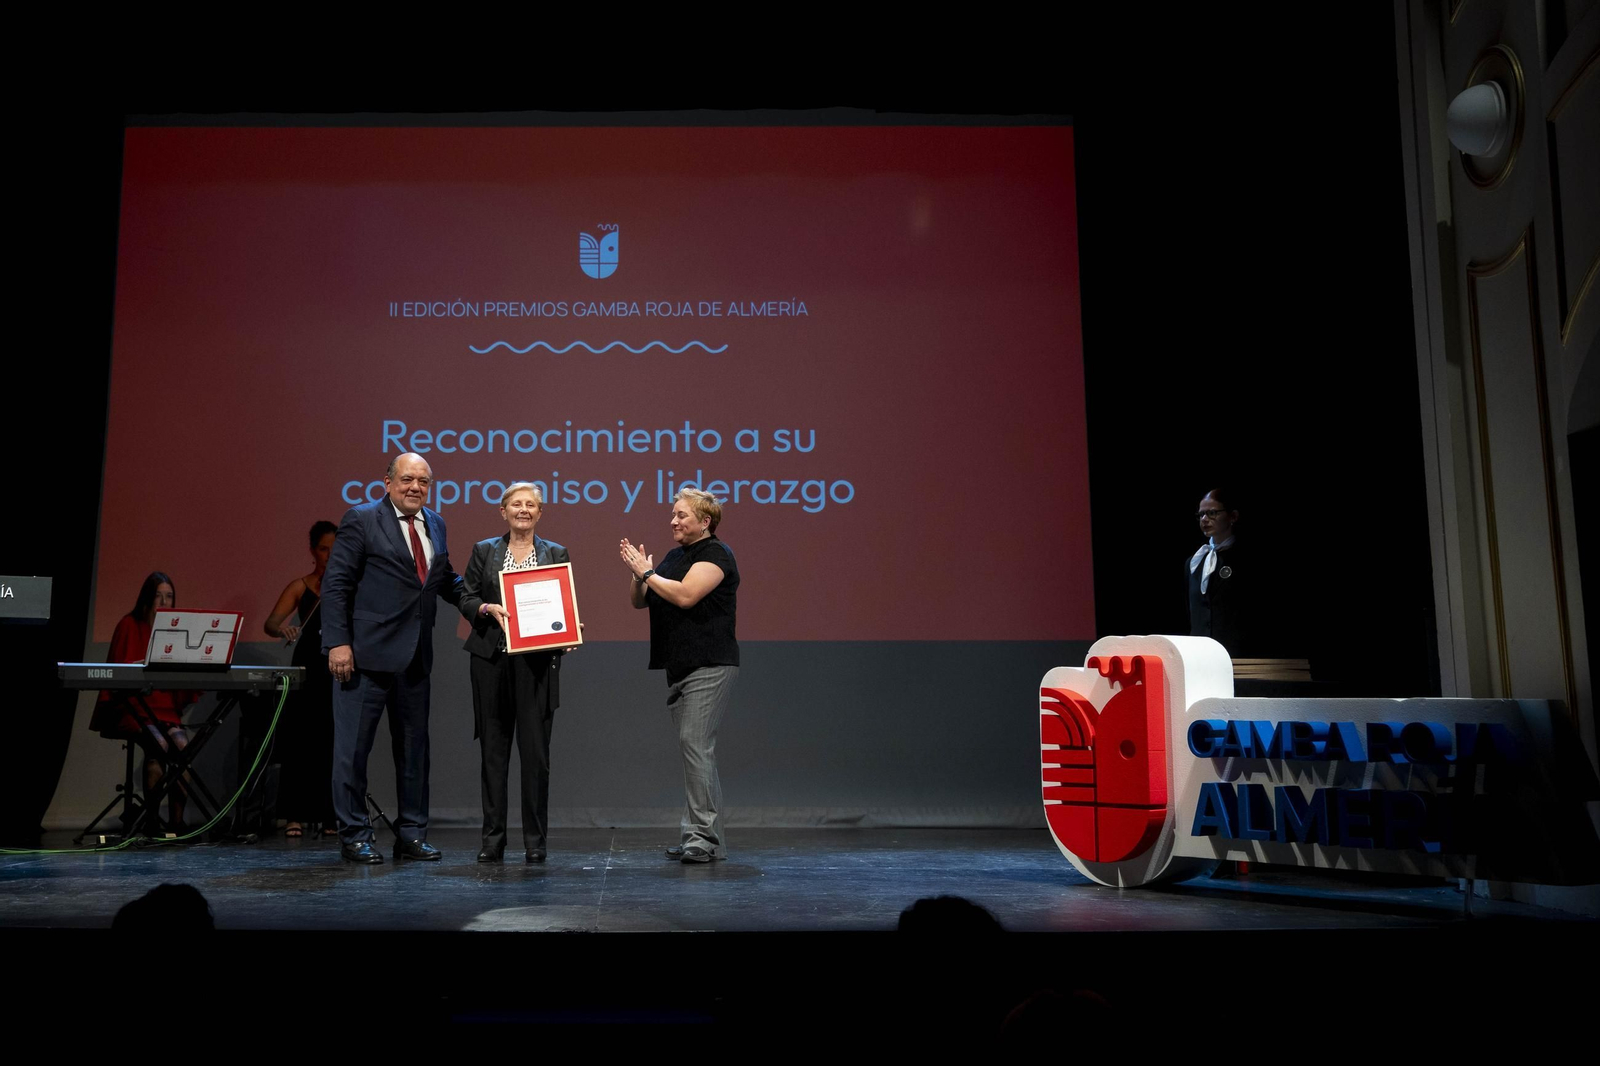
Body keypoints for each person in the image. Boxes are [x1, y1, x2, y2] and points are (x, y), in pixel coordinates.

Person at [322, 453, 464, 864]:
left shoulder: (435, 523)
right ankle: (354, 836)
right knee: (352, 753)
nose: (415, 487)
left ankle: (412, 835)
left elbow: (443, 578)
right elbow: (336, 585)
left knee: (415, 752)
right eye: (406, 479)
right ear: (387, 483)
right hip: (363, 657)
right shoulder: (362, 519)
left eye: (423, 481)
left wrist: (483, 604)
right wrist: (338, 643)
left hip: (415, 657)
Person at [620, 488, 739, 864]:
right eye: (672, 514)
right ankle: (701, 836)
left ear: (705, 521)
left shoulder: (716, 554)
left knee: (695, 745)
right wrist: (640, 576)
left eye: (682, 515)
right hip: (678, 666)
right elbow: (640, 600)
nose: (673, 520)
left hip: (708, 664)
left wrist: (648, 572)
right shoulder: (674, 556)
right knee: (694, 752)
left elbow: (686, 595)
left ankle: (703, 840)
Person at [459, 483, 571, 864]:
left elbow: (563, 603)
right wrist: (487, 608)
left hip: (536, 665)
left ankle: (535, 842)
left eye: (531, 505)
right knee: (493, 754)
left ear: (540, 513)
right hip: (491, 662)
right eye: (516, 504)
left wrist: (567, 629)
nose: (523, 510)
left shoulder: (555, 552)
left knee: (536, 757)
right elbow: (466, 596)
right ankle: (493, 841)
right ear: (502, 510)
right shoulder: (484, 550)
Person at [91, 572, 199, 831]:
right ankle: (151, 822)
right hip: (134, 707)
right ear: (147, 598)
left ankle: (176, 824)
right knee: (159, 744)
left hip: (165, 708)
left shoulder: (175, 629)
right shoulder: (128, 624)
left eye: (169, 596)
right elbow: (118, 674)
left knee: (183, 748)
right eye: (158, 596)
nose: (164, 602)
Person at [262, 520, 339, 839]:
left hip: (335, 668)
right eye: (323, 549)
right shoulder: (300, 586)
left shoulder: (346, 585)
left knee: (331, 743)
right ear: (313, 551)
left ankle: (331, 816)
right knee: (299, 742)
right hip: (306, 670)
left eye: (335, 550)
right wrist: (285, 628)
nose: (329, 555)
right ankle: (293, 815)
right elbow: (271, 623)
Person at [1187, 488, 1251, 657]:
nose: (1204, 519)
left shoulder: (1245, 558)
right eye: (1201, 515)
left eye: (1212, 513)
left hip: (1238, 656)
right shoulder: (1195, 562)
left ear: (1233, 516)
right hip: (1201, 655)